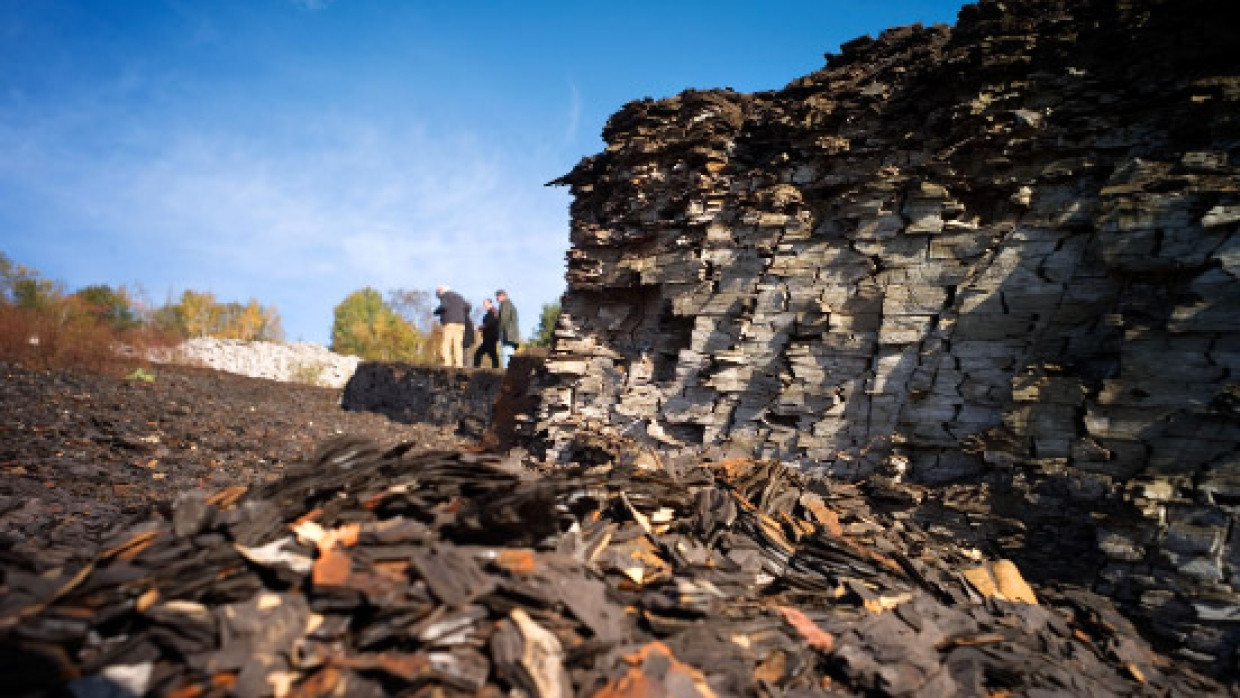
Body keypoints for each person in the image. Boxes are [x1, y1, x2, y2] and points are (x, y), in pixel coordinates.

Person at [433, 285, 469, 367]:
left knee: (446, 343)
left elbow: (444, 306)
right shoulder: (459, 297)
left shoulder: (445, 296)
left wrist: (436, 311)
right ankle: (459, 364)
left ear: (441, 290)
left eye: (438, 294)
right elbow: (467, 307)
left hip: (449, 322)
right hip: (460, 323)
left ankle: (447, 363)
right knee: (458, 344)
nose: (438, 296)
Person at [496, 289, 520, 368]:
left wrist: (499, 330)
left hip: (507, 334)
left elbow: (504, 318)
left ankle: (506, 373)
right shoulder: (510, 305)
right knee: (509, 354)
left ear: (502, 296)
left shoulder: (505, 304)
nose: (497, 299)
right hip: (511, 335)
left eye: (498, 297)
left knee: (506, 355)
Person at [473, 298, 500, 368]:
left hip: (490, 337)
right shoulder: (491, 313)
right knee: (492, 354)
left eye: (485, 304)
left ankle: (476, 369)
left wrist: (479, 328)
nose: (484, 306)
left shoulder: (492, 313)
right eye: (483, 304)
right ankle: (495, 369)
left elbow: (490, 324)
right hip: (490, 337)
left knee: (478, 354)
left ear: (490, 304)